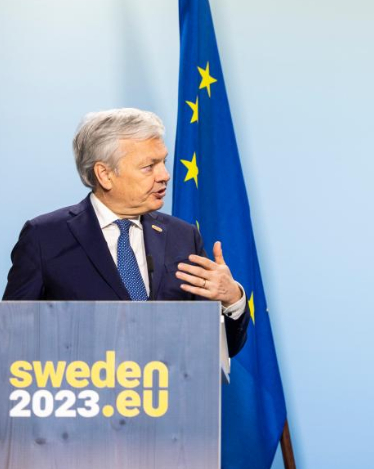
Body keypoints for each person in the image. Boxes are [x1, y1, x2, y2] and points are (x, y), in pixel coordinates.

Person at [3, 108, 250, 356]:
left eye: (163, 162)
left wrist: (232, 299)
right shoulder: (45, 238)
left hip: (168, 392)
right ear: (105, 174)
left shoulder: (182, 238)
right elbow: (12, 337)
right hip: (79, 390)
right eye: (149, 166)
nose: (164, 175)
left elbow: (218, 349)